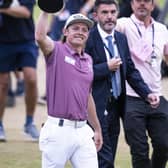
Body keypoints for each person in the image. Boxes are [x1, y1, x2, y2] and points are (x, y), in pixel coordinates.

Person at [85, 0, 159, 167]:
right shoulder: (88, 39)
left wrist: (147, 93)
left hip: (117, 106)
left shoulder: (121, 38)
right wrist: (106, 67)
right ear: (96, 16)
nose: (109, 17)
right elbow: (81, 73)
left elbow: (130, 71)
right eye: (104, 13)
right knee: (104, 159)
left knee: (109, 155)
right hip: (96, 107)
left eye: (112, 12)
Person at [35, 11, 103, 168]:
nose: (80, 32)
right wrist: (45, 11)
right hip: (58, 131)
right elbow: (39, 37)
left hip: (82, 130)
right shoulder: (56, 50)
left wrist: (97, 128)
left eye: (84, 29)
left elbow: (87, 96)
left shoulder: (88, 60)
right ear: (65, 32)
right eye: (75, 28)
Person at [116, 0, 168, 167]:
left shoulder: (161, 29)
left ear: (153, 5)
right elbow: (104, 27)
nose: (142, 4)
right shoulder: (123, 25)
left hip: (157, 96)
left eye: (146, 1)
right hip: (132, 97)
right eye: (138, 1)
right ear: (132, 4)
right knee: (139, 150)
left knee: (164, 145)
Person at [0, 0, 39, 141]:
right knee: (3, 84)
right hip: (2, 42)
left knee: (31, 78)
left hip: (26, 41)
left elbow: (25, 12)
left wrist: (3, 9)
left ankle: (29, 123)